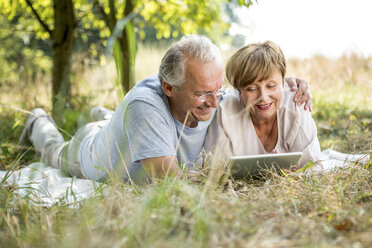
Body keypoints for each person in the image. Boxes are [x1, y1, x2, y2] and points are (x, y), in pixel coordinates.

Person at [19, 35, 312, 184]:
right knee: (53, 150)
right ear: (169, 88)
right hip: (93, 155)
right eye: (202, 94)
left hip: (131, 132)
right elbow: (172, 184)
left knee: (123, 122)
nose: (215, 102)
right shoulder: (145, 107)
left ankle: (108, 115)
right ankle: (37, 120)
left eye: (218, 90)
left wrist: (290, 84)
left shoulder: (211, 93)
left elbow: (253, 80)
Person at [204, 41, 321, 167]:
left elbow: (314, 165)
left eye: (271, 86)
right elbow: (215, 170)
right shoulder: (226, 110)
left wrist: (295, 176)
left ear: (283, 82)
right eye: (252, 89)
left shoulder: (296, 101)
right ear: (238, 91)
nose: (263, 98)